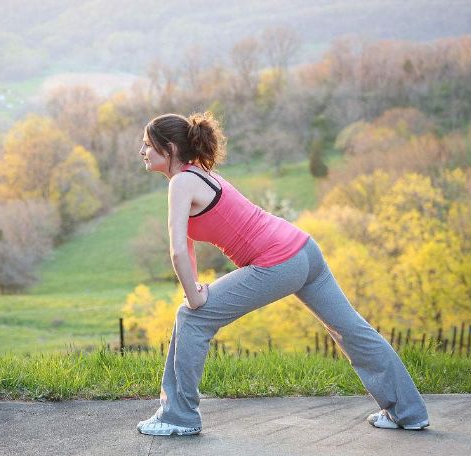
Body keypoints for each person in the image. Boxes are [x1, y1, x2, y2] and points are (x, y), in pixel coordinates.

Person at [135, 112, 430, 436]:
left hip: (278, 261)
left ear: (171, 148)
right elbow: (187, 250)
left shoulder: (181, 182)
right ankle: (408, 412)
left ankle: (178, 417)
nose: (143, 151)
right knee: (351, 330)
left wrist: (194, 298)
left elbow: (177, 250)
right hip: (304, 250)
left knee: (192, 317)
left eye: (148, 145)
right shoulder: (199, 174)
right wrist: (192, 293)